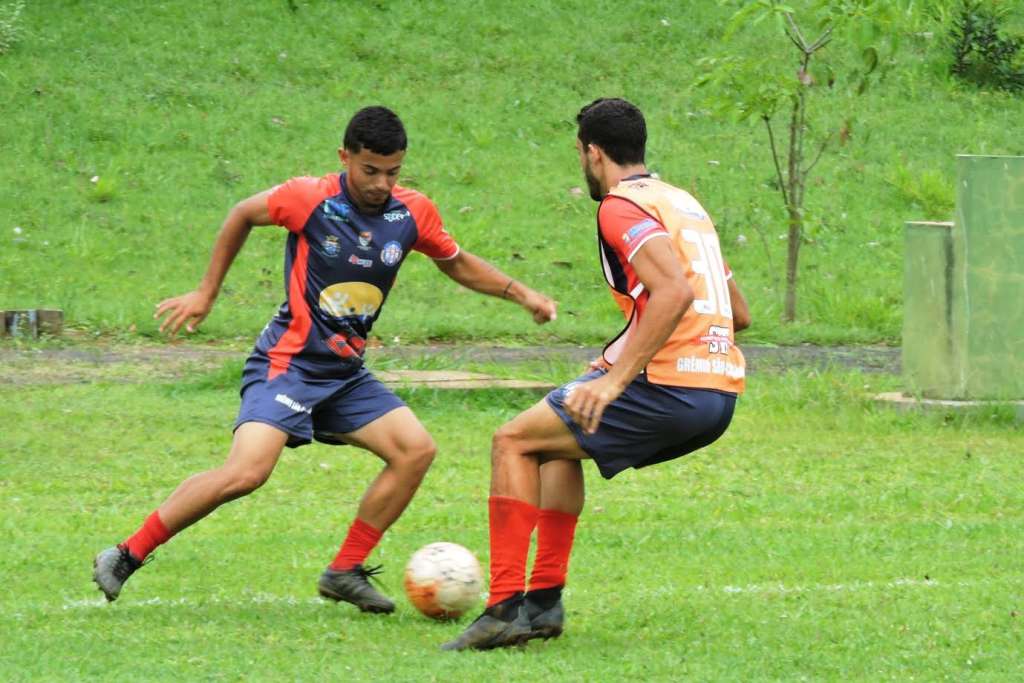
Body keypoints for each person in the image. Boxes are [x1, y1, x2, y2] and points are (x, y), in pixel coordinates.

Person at [92, 105, 557, 613]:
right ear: (345, 157)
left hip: (344, 374)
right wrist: (206, 294)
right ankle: (126, 554)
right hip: (287, 364)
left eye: (393, 172)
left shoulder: (411, 213)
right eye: (370, 171)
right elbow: (242, 214)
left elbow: (458, 263)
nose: (381, 183)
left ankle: (344, 570)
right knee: (247, 472)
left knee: (415, 450)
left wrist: (522, 294)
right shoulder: (309, 199)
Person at [443, 98, 750, 650]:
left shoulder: (620, 206)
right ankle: (542, 603)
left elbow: (674, 291)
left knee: (511, 441)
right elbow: (738, 312)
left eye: (581, 155)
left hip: (670, 387)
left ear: (593, 152)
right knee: (558, 443)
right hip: (718, 393)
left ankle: (503, 609)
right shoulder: (683, 204)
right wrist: (613, 362)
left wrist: (615, 380)